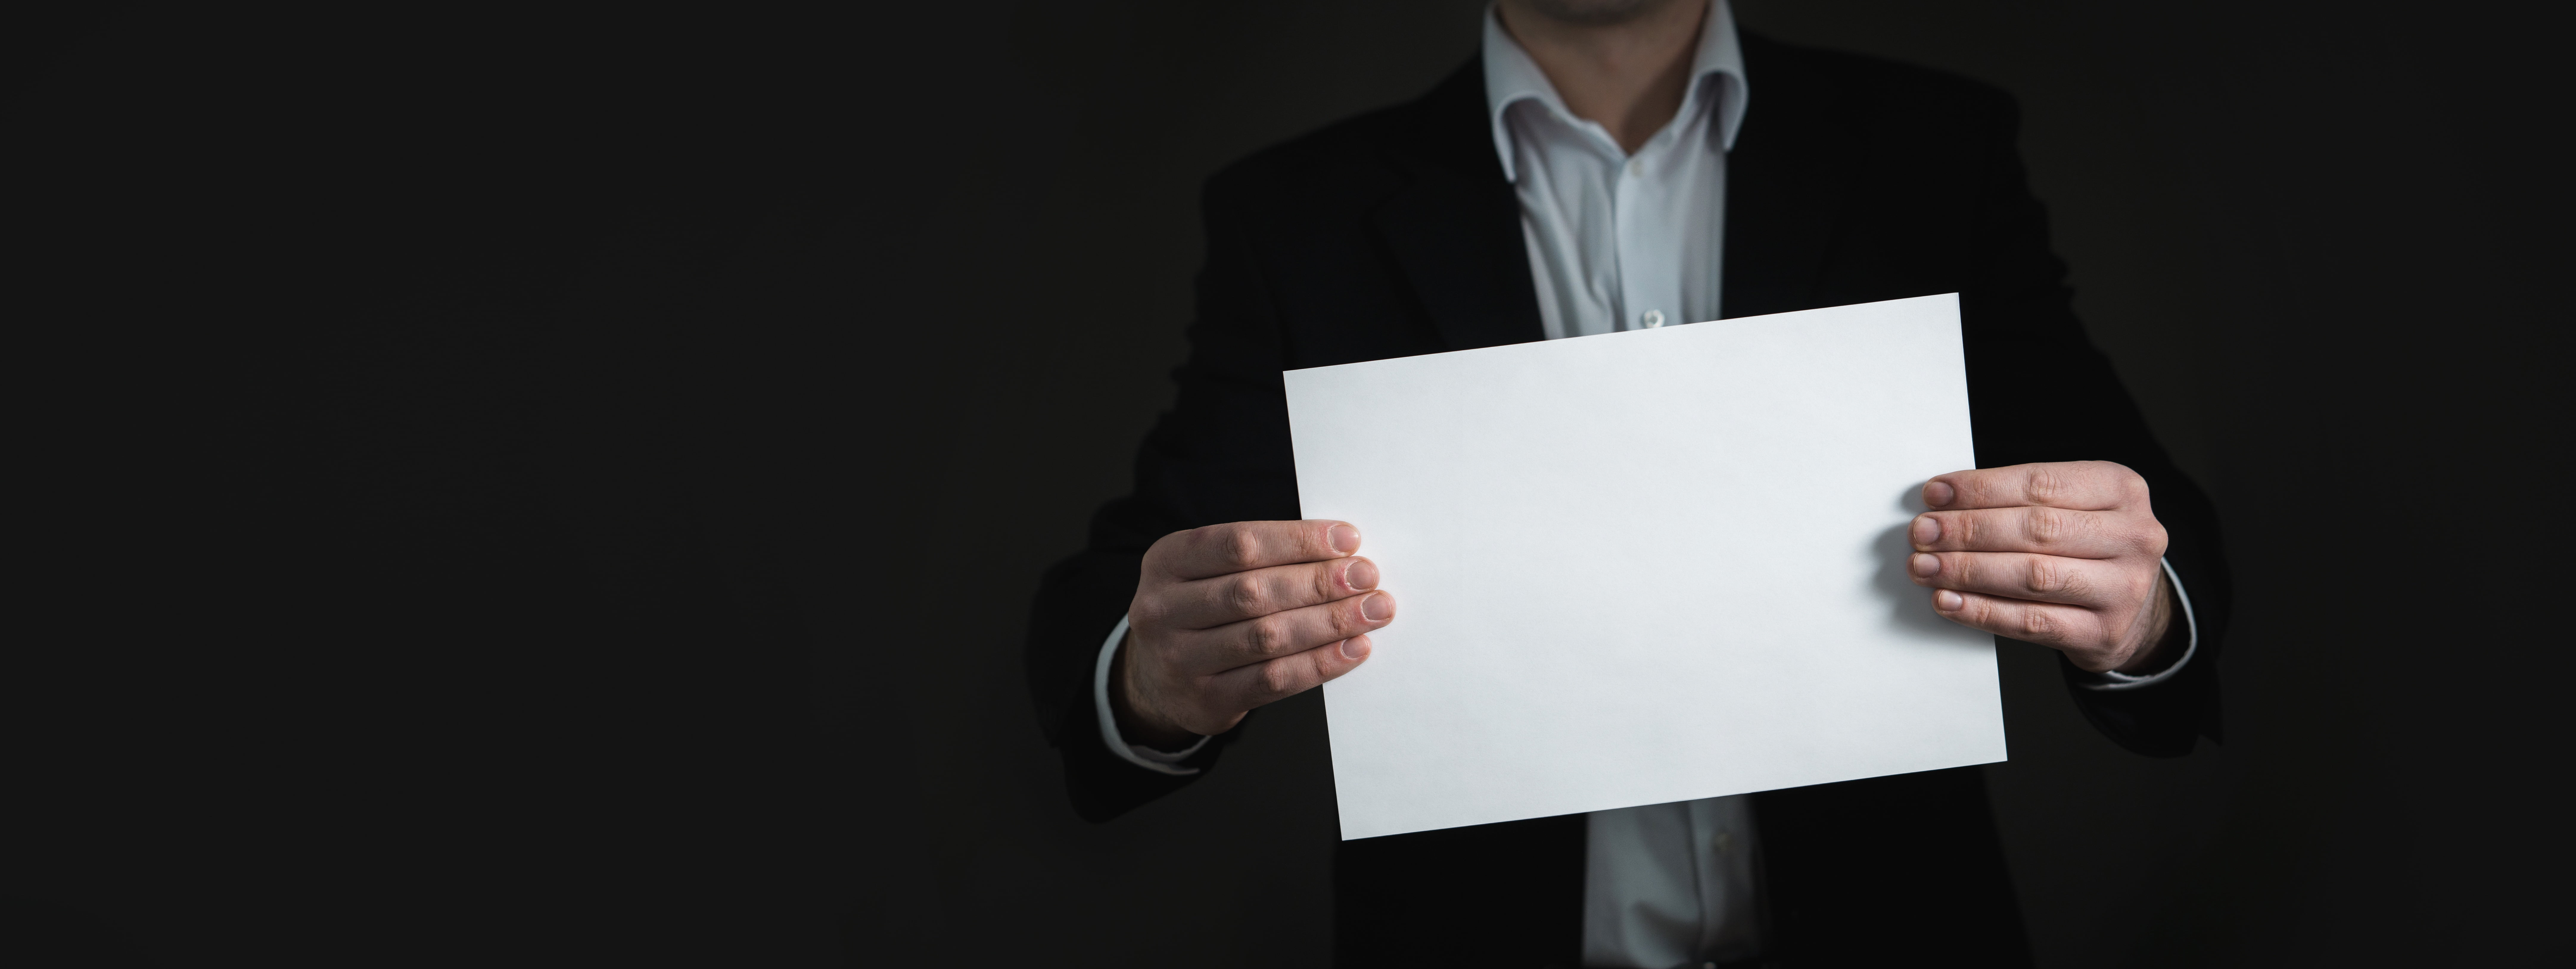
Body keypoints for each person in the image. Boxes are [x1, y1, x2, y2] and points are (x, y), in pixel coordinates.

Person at [1025, 1, 2230, 965]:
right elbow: (1120, 608)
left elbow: (2166, 559)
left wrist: (2133, 606)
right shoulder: (1295, 217)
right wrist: (1150, 672)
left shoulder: (1932, 151)